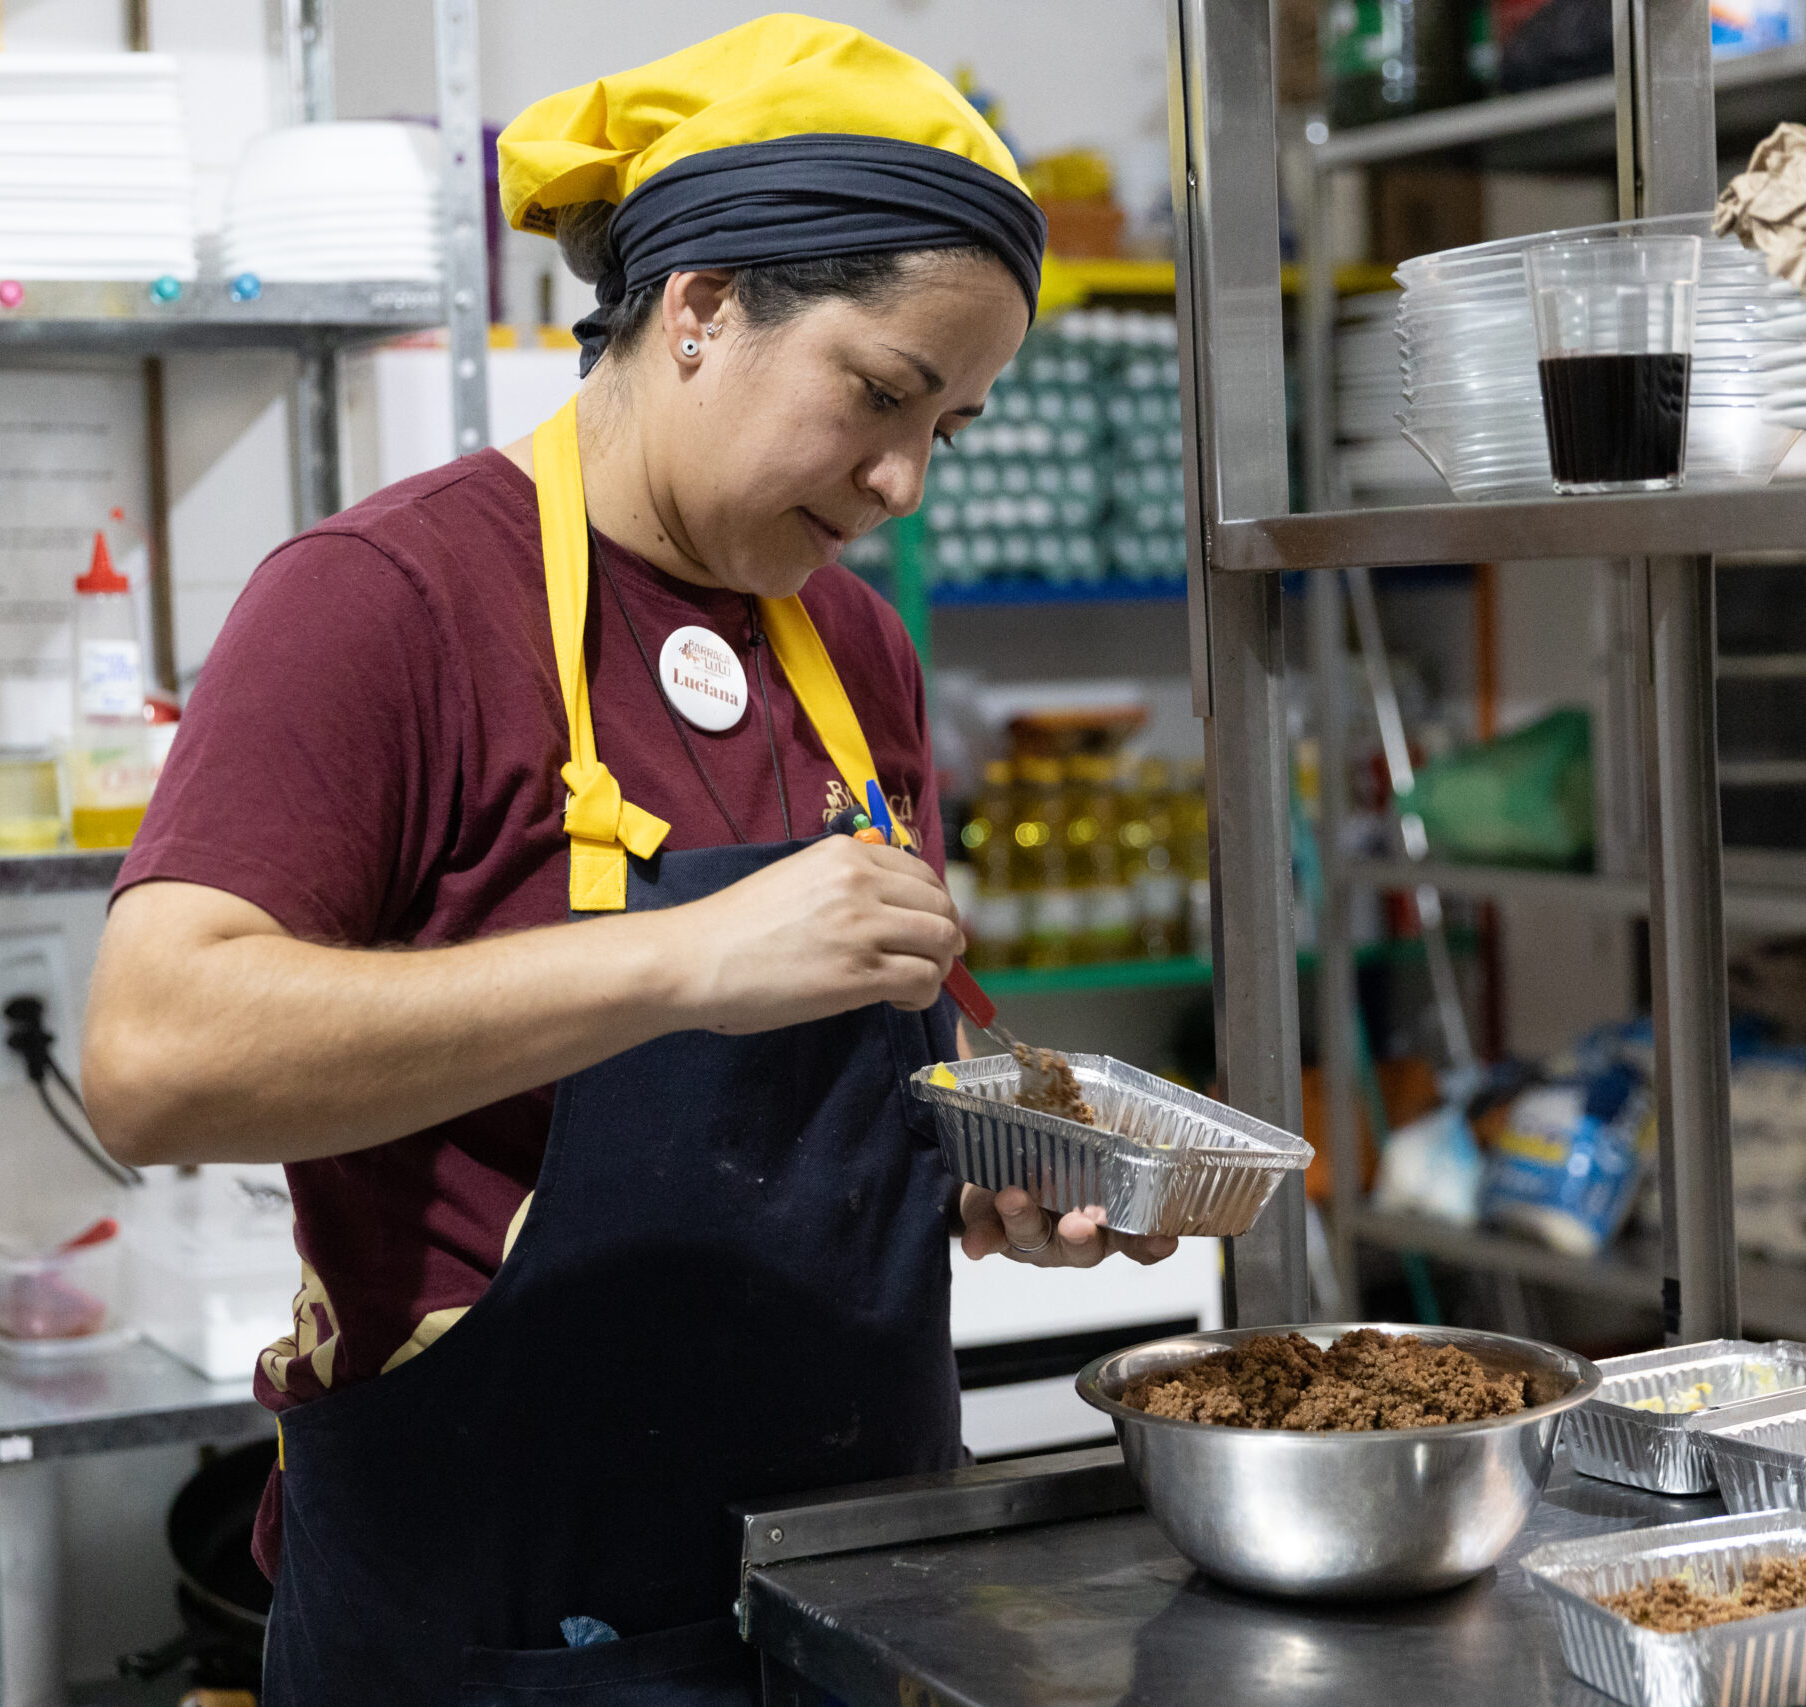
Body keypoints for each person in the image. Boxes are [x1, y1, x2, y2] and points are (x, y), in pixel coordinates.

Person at [84, 17, 1177, 1705]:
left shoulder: (857, 652)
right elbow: (153, 1058)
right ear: (700, 310)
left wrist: (987, 1152)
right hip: (495, 1623)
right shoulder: (386, 603)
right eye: (881, 395)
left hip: (852, 1588)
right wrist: (679, 962)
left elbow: (864, 1043)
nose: (897, 481)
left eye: (946, 429)